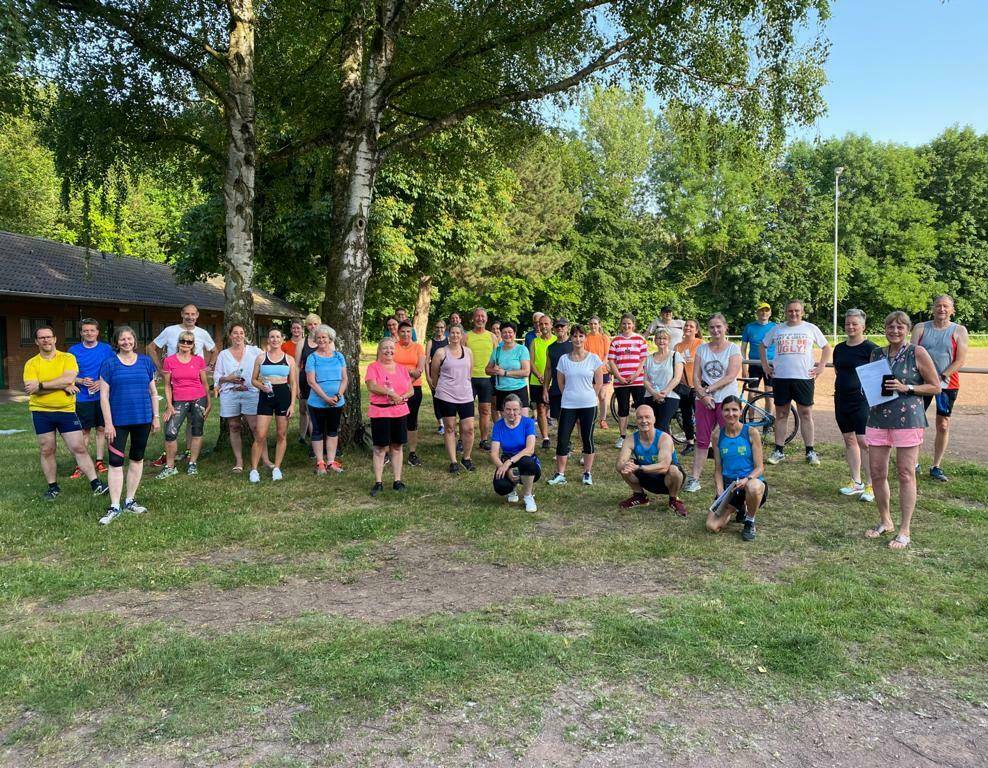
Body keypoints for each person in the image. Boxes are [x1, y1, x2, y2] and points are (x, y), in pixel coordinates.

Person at [864, 311, 940, 550]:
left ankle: (905, 529)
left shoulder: (917, 352)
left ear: (907, 330)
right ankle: (885, 520)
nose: (894, 331)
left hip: (908, 420)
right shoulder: (876, 353)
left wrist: (906, 386)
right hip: (877, 418)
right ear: (884, 329)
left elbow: (935, 387)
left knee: (906, 472)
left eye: (899, 327)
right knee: (877, 473)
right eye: (890, 327)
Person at [23, 326, 108, 501]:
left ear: (55, 339)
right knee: (47, 450)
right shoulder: (31, 363)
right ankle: (53, 487)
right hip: (41, 412)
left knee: (79, 448)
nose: (46, 340)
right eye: (42, 338)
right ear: (36, 341)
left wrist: (42, 385)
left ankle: (96, 484)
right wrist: (61, 385)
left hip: (66, 412)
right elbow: (32, 390)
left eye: (49, 337)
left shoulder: (67, 358)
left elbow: (69, 378)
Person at [760, 300, 831, 467]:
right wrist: (765, 365)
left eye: (797, 311)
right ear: (786, 312)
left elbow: (826, 348)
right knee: (781, 414)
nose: (793, 314)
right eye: (790, 311)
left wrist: (820, 367)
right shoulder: (777, 329)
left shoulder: (810, 328)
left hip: (803, 378)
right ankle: (779, 450)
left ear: (802, 312)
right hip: (781, 378)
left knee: (805, 414)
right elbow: (762, 346)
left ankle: (810, 451)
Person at [98, 325, 158, 523]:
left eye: (129, 339)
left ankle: (130, 500)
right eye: (122, 339)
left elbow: (153, 392)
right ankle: (115, 505)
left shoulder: (146, 362)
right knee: (115, 462)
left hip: (142, 418)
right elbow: (104, 396)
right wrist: (108, 423)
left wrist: (155, 417)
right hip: (118, 422)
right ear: (117, 342)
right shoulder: (109, 364)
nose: (126, 342)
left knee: (137, 458)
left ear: (134, 340)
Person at [147, 303, 217, 467]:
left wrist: (209, 367)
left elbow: (214, 350)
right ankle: (168, 455)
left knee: (193, 421)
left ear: (197, 315)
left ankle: (188, 452)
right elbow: (151, 347)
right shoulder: (170, 331)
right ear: (181, 314)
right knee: (172, 420)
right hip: (174, 380)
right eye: (187, 314)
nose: (190, 317)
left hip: (195, 381)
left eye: (193, 314)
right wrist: (159, 368)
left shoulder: (202, 333)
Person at [912, 294, 969, 482]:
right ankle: (913, 462)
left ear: (952, 310)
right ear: (933, 308)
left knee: (943, 424)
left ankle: (936, 465)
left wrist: (942, 375)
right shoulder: (920, 328)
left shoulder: (959, 331)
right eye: (938, 306)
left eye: (946, 306)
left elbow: (960, 360)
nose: (942, 309)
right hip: (922, 382)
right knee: (916, 422)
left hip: (947, 383)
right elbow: (912, 354)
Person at [685, 313, 741, 493]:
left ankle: (733, 476)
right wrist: (702, 394)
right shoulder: (702, 349)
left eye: (719, 326)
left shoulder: (733, 349)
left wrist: (708, 391)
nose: (715, 330)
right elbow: (696, 376)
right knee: (702, 439)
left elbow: (731, 375)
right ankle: (694, 479)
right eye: (711, 327)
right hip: (704, 400)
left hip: (726, 400)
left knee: (729, 437)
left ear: (725, 328)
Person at [547, 324, 603, 487]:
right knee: (563, 439)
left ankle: (587, 473)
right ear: (570, 338)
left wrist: (588, 396)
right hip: (568, 405)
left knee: (587, 439)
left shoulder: (593, 359)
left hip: (588, 405)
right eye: (575, 336)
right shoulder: (564, 359)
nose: (578, 339)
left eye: (581, 336)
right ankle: (560, 474)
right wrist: (571, 395)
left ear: (585, 338)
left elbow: (598, 383)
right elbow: (560, 382)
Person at [832, 309, 878, 501]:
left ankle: (871, 485)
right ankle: (856, 481)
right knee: (849, 440)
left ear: (863, 326)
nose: (850, 327)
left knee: (864, 442)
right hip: (842, 399)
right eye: (848, 323)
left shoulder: (871, 349)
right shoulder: (839, 348)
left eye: (854, 324)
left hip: (861, 401)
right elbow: (838, 371)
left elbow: (878, 377)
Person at [707, 396, 767, 541]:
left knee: (753, 487)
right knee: (711, 526)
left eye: (735, 409)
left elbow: (760, 467)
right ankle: (739, 507)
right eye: (727, 410)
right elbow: (718, 469)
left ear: (740, 411)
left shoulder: (751, 432)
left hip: (750, 483)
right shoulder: (717, 435)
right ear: (722, 412)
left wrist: (747, 479)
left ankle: (749, 521)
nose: (731, 413)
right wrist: (720, 491)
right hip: (730, 488)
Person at [213, 323, 269, 473]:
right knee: (234, 426)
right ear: (230, 335)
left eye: (241, 333)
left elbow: (266, 363)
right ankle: (239, 461)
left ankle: (265, 459)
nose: (238, 336)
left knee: (256, 427)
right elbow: (217, 376)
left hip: (251, 393)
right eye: (235, 333)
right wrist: (228, 378)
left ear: (245, 335)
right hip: (230, 394)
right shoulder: (223, 354)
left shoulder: (254, 351)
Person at [156, 330, 211, 479]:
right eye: (183, 341)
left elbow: (205, 383)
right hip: (179, 399)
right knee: (170, 432)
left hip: (198, 398)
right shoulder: (169, 361)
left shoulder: (198, 360)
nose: (185, 344)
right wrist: (169, 405)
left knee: (197, 431)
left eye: (189, 342)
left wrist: (209, 402)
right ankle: (170, 466)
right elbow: (167, 386)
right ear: (178, 343)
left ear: (193, 345)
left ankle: (192, 463)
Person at [615, 404, 687, 514]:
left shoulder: (664, 438)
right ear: (636, 420)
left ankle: (674, 500)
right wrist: (625, 466)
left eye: (647, 417)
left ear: (654, 419)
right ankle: (639, 497)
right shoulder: (630, 439)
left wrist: (639, 467)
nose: (644, 421)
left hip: (667, 480)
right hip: (647, 477)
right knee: (625, 467)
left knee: (673, 470)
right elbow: (619, 464)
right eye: (640, 417)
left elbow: (664, 467)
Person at [365, 337, 414, 496]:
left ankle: (397, 481)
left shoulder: (401, 368)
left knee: (397, 446)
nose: (389, 351)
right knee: (380, 448)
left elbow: (411, 390)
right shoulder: (373, 367)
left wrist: (402, 397)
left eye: (392, 348)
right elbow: (372, 386)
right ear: (379, 350)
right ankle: (378, 482)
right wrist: (390, 393)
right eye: (385, 348)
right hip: (380, 412)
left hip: (399, 411)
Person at [68, 318, 115, 478]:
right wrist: (80, 380)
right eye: (85, 330)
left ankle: (99, 461)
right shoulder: (73, 351)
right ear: (81, 333)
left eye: (92, 330)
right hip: (82, 397)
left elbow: (113, 368)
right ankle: (81, 464)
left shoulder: (107, 349)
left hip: (103, 396)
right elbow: (67, 374)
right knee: (84, 431)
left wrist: (101, 382)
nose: (89, 333)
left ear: (97, 332)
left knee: (101, 429)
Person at [250, 329, 298, 482]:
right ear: (268, 340)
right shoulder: (261, 358)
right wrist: (261, 386)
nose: (275, 339)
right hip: (266, 396)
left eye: (278, 337)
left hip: (283, 396)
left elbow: (293, 383)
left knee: (281, 434)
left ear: (283, 339)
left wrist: (292, 404)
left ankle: (277, 467)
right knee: (260, 434)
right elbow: (253, 380)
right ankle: (254, 470)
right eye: (272, 337)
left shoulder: (289, 359)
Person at [430, 324, 477, 472]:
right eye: (453, 333)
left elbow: (469, 372)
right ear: (448, 334)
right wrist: (441, 389)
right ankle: (453, 461)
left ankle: (466, 458)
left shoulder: (468, 352)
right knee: (450, 428)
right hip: (446, 395)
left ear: (462, 335)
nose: (455, 335)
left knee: (468, 428)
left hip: (465, 395)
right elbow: (434, 374)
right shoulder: (440, 352)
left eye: (458, 333)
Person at [305, 325, 347, 475]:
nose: (321, 340)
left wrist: (338, 396)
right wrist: (326, 398)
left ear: (330, 339)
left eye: (324, 337)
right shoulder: (312, 357)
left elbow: (344, 379)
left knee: (332, 430)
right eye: (319, 337)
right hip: (317, 402)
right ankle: (320, 463)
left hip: (337, 401)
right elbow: (311, 381)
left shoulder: (339, 356)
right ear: (315, 340)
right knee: (317, 431)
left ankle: (331, 461)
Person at [489, 393, 540, 512]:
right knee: (501, 487)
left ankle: (528, 496)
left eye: (515, 409)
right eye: (508, 409)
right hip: (508, 460)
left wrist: (508, 463)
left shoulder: (528, 423)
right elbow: (494, 454)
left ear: (520, 410)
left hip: (525, 459)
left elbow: (529, 449)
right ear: (503, 409)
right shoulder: (498, 425)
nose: (511, 413)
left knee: (528, 463)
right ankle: (512, 488)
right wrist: (506, 470)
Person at [607, 313, 648, 449]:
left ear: (633, 325)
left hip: (638, 381)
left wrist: (636, 375)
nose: (626, 326)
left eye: (629, 323)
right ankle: (622, 436)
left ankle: (642, 435)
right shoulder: (615, 341)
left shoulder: (640, 340)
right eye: (624, 323)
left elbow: (643, 360)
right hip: (621, 381)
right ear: (621, 324)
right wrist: (619, 377)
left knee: (640, 408)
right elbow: (611, 361)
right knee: (623, 409)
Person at [394, 320, 427, 466]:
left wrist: (403, 372)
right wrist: (408, 370)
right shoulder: (393, 347)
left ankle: (412, 453)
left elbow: (419, 370)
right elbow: (389, 367)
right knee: (395, 419)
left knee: (411, 420)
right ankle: (393, 449)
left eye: (408, 331)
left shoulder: (419, 347)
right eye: (402, 331)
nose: (406, 334)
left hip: (414, 388)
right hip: (394, 389)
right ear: (398, 333)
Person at [464, 307, 498, 450]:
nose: (480, 319)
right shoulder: (466, 336)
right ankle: (463, 438)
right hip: (468, 378)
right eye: (477, 316)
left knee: (485, 410)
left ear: (486, 319)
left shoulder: (492, 337)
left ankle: (484, 439)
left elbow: (497, 357)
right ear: (473, 318)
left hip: (487, 378)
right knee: (466, 411)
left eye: (482, 316)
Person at [643, 328, 685, 435]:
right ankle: (656, 450)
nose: (661, 341)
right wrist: (654, 393)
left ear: (669, 340)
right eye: (658, 338)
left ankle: (666, 450)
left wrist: (663, 393)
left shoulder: (675, 356)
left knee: (661, 426)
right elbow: (646, 380)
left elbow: (677, 378)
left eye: (664, 338)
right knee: (651, 426)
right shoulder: (649, 358)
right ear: (655, 341)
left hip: (669, 396)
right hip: (650, 396)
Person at [487, 321, 532, 417]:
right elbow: (487, 370)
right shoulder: (497, 351)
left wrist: (505, 373)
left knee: (522, 422)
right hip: (502, 391)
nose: (507, 335)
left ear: (515, 333)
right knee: (506, 424)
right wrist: (495, 371)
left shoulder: (522, 349)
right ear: (501, 334)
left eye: (510, 332)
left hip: (519, 389)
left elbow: (526, 372)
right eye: (504, 332)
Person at [674, 319, 703, 455]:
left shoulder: (701, 344)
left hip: (698, 386)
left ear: (696, 330)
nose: (688, 328)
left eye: (691, 326)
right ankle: (690, 442)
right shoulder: (678, 346)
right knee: (686, 415)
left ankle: (703, 443)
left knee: (701, 416)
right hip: (684, 387)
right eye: (686, 325)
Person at [528, 313, 556, 449]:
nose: (544, 326)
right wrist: (539, 375)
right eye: (541, 324)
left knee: (557, 409)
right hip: (536, 381)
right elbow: (531, 362)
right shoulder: (535, 342)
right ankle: (545, 437)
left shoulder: (557, 340)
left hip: (555, 381)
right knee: (541, 409)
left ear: (551, 325)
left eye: (546, 323)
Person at [296, 313, 322, 452]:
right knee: (308, 412)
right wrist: (297, 387)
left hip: (322, 381)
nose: (312, 327)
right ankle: (313, 445)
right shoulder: (302, 343)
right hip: (305, 381)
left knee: (318, 413)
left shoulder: (324, 340)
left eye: (315, 324)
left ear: (319, 325)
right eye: (310, 324)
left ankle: (320, 442)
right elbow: (296, 365)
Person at [543, 317, 573, 437]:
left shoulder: (574, 343)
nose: (560, 328)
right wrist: (545, 388)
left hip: (572, 386)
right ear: (554, 329)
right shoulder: (551, 348)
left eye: (562, 326)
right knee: (560, 418)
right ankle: (566, 444)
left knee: (577, 419)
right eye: (557, 326)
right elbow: (548, 369)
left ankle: (584, 447)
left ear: (567, 328)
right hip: (556, 387)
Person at [740, 302, 776, 391]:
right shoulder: (749, 327)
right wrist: (744, 367)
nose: (764, 313)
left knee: (769, 394)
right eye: (761, 310)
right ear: (757, 312)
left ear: (770, 313)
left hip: (770, 364)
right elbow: (743, 349)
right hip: (754, 364)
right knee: (752, 393)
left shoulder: (776, 327)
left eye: (766, 311)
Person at [585, 316, 612, 429]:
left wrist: (600, 365)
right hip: (590, 371)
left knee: (602, 395)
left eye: (595, 324)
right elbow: (585, 354)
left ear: (599, 325)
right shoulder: (586, 338)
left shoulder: (604, 338)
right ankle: (590, 418)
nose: (593, 326)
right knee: (591, 395)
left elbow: (607, 354)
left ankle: (603, 420)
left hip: (603, 370)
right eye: (591, 324)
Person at [427, 320, 449, 433]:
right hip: (434, 374)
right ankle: (441, 424)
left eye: (441, 327)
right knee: (436, 399)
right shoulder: (431, 342)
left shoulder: (448, 341)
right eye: (437, 327)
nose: (439, 330)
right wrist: (428, 377)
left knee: (447, 399)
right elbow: (426, 362)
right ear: (434, 328)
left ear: (445, 328)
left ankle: (448, 422)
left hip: (447, 375)